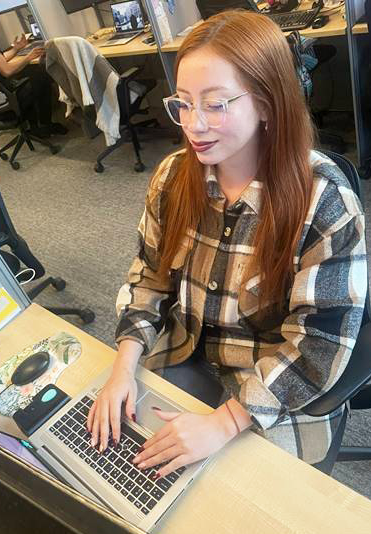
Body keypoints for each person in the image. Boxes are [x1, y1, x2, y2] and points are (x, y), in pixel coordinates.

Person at [87, 11, 367, 477]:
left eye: (215, 104)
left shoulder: (325, 200)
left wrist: (224, 422)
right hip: (188, 352)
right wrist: (122, 368)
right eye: (183, 104)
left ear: (266, 104)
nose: (194, 126)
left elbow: (317, 344)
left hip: (278, 387)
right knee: (121, 468)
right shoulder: (174, 177)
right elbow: (149, 277)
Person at [0, 34, 67, 138]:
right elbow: (7, 71)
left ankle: (37, 125)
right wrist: (28, 57)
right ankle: (44, 126)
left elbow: (2, 60)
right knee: (40, 76)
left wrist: (16, 49)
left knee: (34, 71)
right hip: (6, 103)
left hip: (4, 96)